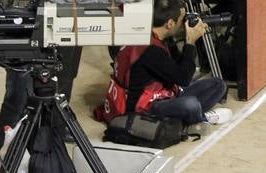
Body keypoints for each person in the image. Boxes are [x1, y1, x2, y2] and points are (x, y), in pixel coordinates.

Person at [97, 0, 230, 128]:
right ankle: (201, 119)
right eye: (182, 20)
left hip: (162, 94)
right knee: (191, 105)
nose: (184, 23)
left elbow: (177, 66)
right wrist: (190, 42)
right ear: (170, 23)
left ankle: (186, 116)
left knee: (218, 85)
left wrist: (178, 40)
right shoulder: (150, 50)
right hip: (142, 110)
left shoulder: (150, 34)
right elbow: (183, 78)